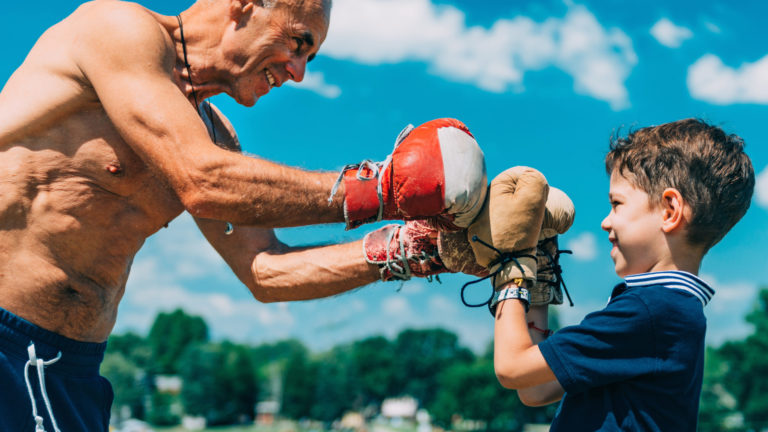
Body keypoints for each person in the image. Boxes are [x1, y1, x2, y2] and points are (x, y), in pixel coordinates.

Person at [0, 1, 492, 430]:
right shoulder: (119, 29)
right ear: (243, 4)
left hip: (71, 370)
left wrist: (414, 250)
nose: (299, 71)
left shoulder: (213, 137)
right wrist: (383, 188)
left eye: (310, 56)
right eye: (299, 41)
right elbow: (203, 181)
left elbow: (266, 270)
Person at [483, 118, 755, 431]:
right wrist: (539, 282)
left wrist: (511, 268)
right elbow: (536, 388)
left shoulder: (651, 312)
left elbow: (511, 367)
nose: (605, 222)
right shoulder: (667, 311)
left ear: (670, 210)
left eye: (616, 204)